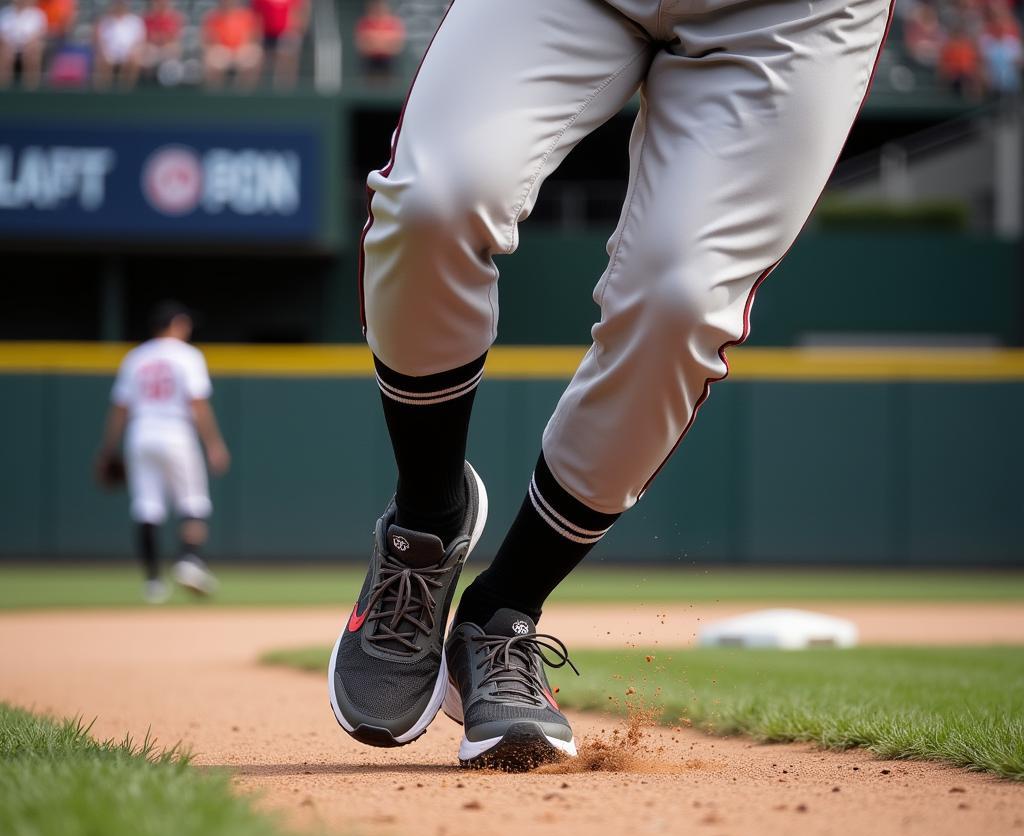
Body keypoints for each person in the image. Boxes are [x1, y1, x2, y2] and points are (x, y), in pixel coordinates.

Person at [329, 0, 895, 770]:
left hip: (788, 14)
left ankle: (501, 615)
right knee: (435, 201)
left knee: (682, 304)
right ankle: (427, 523)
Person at [96, 302, 230, 604]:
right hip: (176, 431)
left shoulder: (135, 357)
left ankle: (153, 582)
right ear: (177, 324)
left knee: (146, 505)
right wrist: (213, 443)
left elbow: (120, 408)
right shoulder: (188, 355)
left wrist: (107, 449)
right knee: (193, 500)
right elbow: (197, 403)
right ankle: (189, 560)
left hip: (140, 433)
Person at [202, 0, 262, 89]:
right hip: (221, 52)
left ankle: (245, 95)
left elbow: (252, 38)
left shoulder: (247, 16)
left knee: (252, 56)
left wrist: (240, 51)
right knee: (213, 59)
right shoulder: (213, 17)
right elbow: (209, 40)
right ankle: (215, 95)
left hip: (242, 51)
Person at [251, 0, 305, 88]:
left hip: (286, 33)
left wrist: (293, 31)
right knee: (254, 57)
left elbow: (298, 14)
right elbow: (256, 17)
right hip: (265, 34)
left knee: (288, 51)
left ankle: (285, 88)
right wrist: (257, 37)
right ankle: (256, 89)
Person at [94, 0, 146, 88]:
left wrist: (133, 52)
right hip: (109, 53)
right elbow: (99, 40)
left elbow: (139, 41)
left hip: (129, 53)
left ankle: (126, 91)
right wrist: (103, 53)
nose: (120, 7)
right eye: (118, 4)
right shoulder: (105, 21)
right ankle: (103, 92)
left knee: (134, 61)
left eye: (122, 5)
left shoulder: (135, 21)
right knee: (101, 61)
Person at [0, 0, 47, 88]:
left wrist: (27, 45)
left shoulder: (37, 14)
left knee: (33, 52)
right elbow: (2, 35)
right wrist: (9, 46)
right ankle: (3, 90)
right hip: (9, 47)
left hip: (29, 47)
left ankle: (31, 89)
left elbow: (38, 35)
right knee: (4, 53)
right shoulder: (5, 13)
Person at [354, 0, 404, 80]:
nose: (379, 8)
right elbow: (362, 45)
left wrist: (374, 41)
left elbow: (397, 46)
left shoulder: (393, 23)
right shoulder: (365, 23)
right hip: (370, 62)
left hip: (388, 62)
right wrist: (384, 42)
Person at [142, 0, 183, 85]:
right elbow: (147, 36)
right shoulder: (148, 18)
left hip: (167, 46)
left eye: (164, 4)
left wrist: (162, 38)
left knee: (172, 49)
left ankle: (169, 83)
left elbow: (173, 36)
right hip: (151, 46)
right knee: (148, 51)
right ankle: (147, 82)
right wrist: (159, 38)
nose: (161, 6)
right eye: (159, 4)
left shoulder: (173, 18)